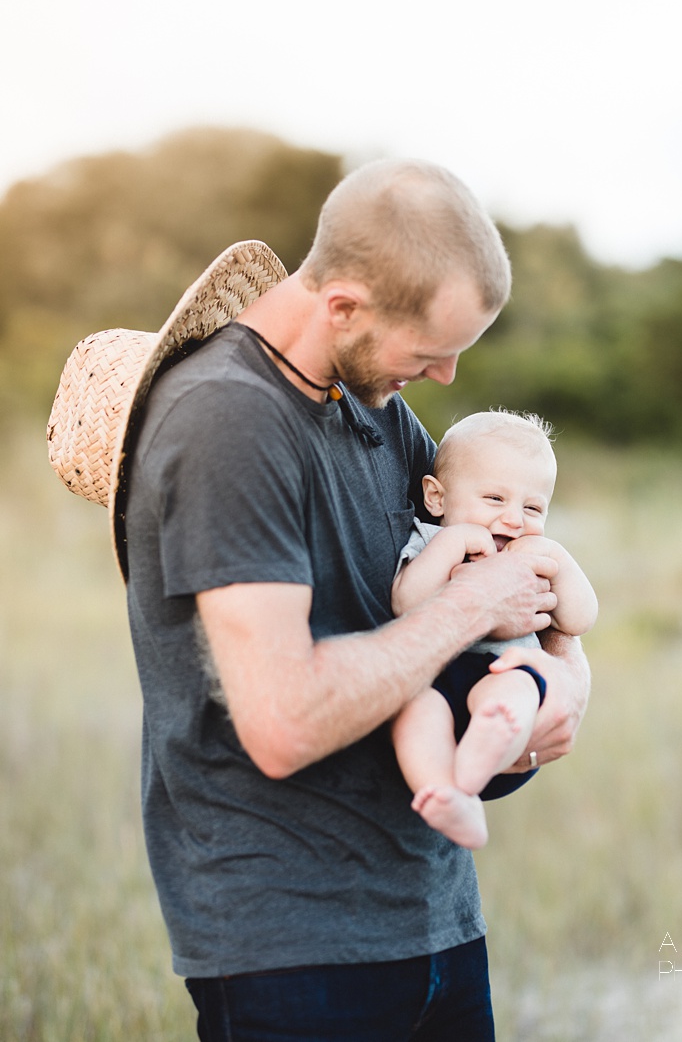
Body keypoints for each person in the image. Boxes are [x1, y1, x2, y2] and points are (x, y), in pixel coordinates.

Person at [48, 159, 590, 1040]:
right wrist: (472, 608)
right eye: (431, 348)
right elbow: (286, 716)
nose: (450, 374)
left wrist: (557, 688)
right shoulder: (226, 421)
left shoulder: (377, 403)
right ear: (343, 306)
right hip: (294, 950)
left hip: (435, 915)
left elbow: (512, 577)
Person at [390, 409, 598, 849]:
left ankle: (483, 753)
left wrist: (555, 560)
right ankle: (449, 792)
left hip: (503, 675)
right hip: (433, 679)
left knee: (513, 692)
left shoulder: (535, 554)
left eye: (533, 507)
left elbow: (579, 619)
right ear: (436, 498)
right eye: (494, 500)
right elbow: (405, 602)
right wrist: (451, 545)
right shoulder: (431, 539)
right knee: (414, 710)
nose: (514, 520)